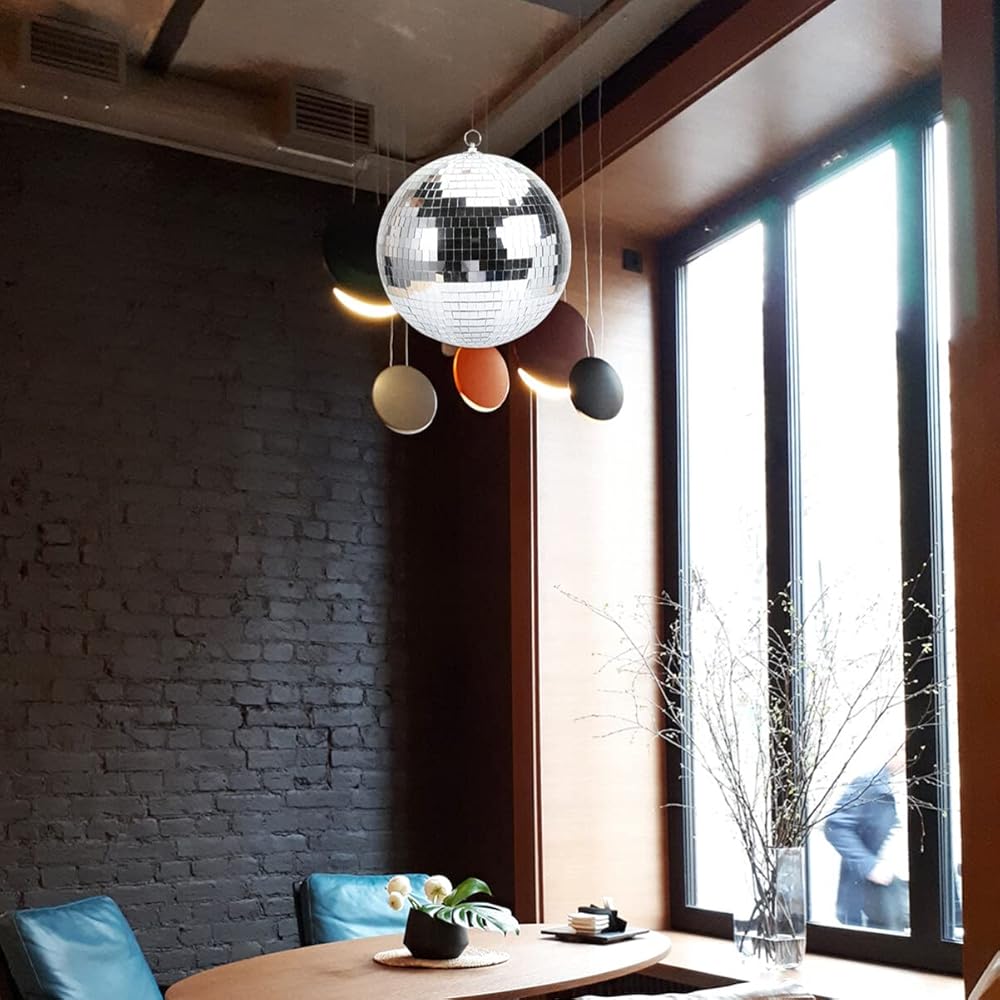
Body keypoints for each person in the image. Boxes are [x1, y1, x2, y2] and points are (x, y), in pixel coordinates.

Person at [823, 749, 909, 931]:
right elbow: (835, 826)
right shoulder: (871, 784)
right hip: (884, 889)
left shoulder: (927, 783)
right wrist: (869, 865)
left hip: (920, 889)